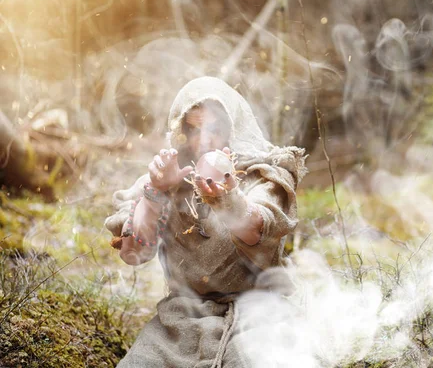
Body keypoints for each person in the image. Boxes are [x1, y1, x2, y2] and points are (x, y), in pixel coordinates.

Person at [104, 76, 307, 367]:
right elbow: (134, 252)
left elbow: (257, 228)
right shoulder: (166, 176)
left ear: (232, 127)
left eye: (214, 128)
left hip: (258, 318)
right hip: (179, 322)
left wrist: (228, 200)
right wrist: (156, 193)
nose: (204, 140)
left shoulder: (264, 174)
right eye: (193, 128)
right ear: (180, 130)